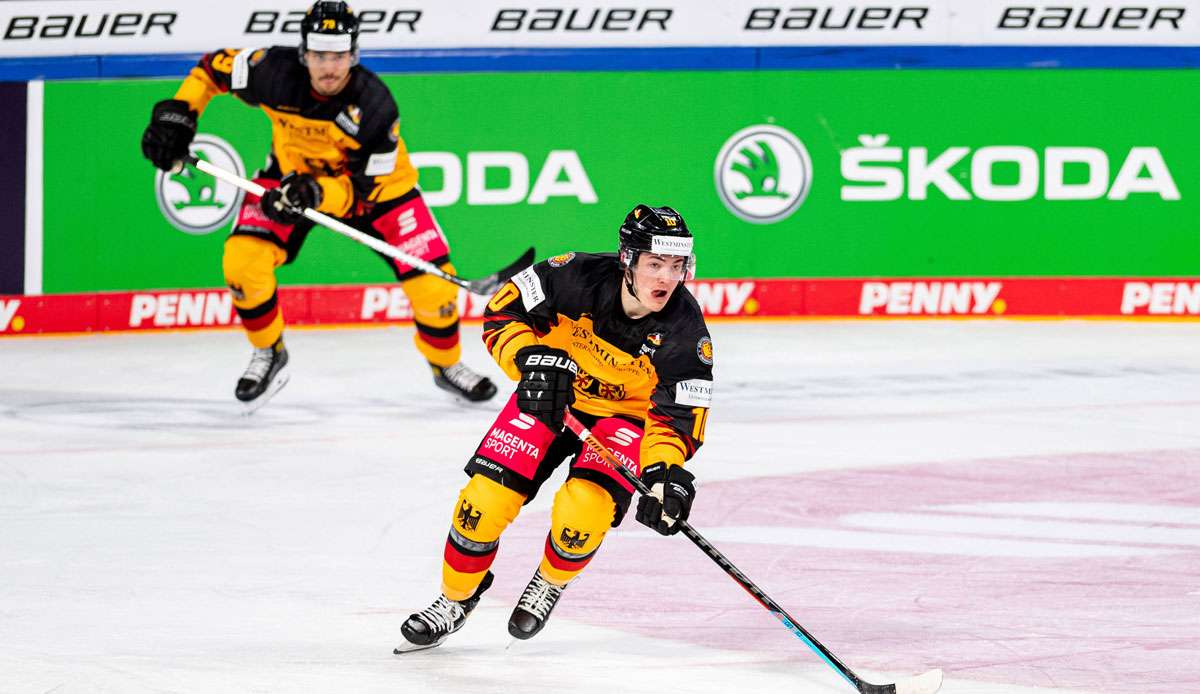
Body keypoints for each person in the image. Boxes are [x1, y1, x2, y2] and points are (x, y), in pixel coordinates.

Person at [139, 1, 497, 410]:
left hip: (380, 194)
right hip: (287, 178)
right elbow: (208, 70)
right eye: (320, 56)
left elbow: (363, 192)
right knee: (242, 260)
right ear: (303, 52)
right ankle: (269, 351)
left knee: (435, 289)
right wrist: (179, 116)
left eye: (339, 56)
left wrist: (314, 194)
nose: (329, 67)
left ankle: (445, 365)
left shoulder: (376, 107)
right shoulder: (270, 71)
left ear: (354, 54)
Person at [394, 204, 714, 652]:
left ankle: (550, 581)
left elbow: (679, 415)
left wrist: (664, 475)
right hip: (551, 395)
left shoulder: (685, 329)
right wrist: (530, 360)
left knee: (583, 513)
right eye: (655, 264)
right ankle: (454, 599)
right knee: (482, 503)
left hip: (624, 418)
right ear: (628, 259)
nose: (666, 278)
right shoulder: (573, 274)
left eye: (676, 266)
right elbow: (504, 309)